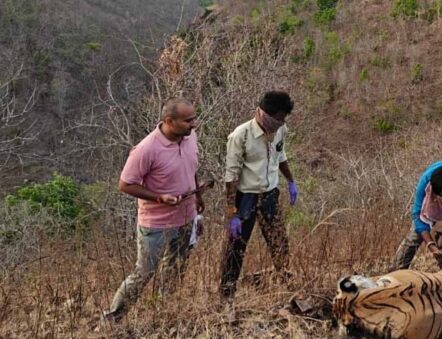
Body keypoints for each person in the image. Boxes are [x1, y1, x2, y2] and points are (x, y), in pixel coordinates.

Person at [102, 98, 203, 323]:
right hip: (156, 223)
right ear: (169, 121)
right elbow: (125, 184)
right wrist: (159, 197)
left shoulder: (190, 137)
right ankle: (112, 319)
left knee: (176, 266)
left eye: (193, 119)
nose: (193, 124)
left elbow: (191, 167)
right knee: (144, 272)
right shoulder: (146, 149)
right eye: (188, 120)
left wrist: (198, 195)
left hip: (186, 216)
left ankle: (165, 311)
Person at [220, 90, 298, 298]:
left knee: (279, 241)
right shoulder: (241, 135)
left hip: (270, 194)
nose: (282, 122)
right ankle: (227, 293)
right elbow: (231, 175)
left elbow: (280, 155)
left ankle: (285, 283)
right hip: (246, 197)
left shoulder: (280, 130)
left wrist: (290, 180)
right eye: (279, 118)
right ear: (266, 114)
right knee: (236, 247)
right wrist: (232, 212)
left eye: (284, 118)